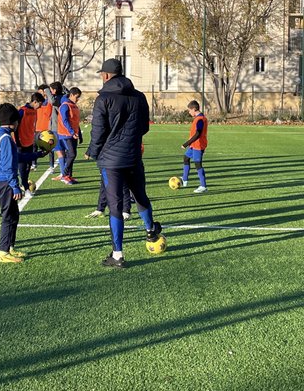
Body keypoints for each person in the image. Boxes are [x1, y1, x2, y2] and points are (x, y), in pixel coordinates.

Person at [85, 58, 162, 269]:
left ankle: (117, 254)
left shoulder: (103, 99)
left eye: (102, 74)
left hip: (111, 161)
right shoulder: (139, 97)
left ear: (108, 75)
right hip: (133, 156)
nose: (101, 76)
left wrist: (92, 152)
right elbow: (145, 127)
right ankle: (150, 230)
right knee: (140, 196)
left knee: (115, 206)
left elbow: (98, 131)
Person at [0, 103, 26, 264]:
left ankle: (10, 247)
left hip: (2, 180)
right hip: (4, 182)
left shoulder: (2, 134)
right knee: (8, 216)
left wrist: (38, 154)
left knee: (14, 215)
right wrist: (14, 185)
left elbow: (16, 157)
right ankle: (3, 252)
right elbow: (8, 165)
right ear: (14, 122)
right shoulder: (5, 138)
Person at [16, 92, 45, 196]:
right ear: (35, 101)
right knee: (22, 167)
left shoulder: (34, 111)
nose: (41, 106)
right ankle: (25, 187)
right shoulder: (22, 111)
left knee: (28, 167)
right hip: (21, 143)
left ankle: (23, 185)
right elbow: (15, 127)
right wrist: (17, 141)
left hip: (30, 142)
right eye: (40, 104)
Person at [179, 100, 209, 193]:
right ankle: (184, 180)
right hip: (194, 145)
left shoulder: (200, 119)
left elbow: (198, 134)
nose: (189, 112)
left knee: (198, 164)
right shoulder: (198, 118)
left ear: (194, 109)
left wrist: (186, 143)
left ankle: (203, 186)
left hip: (198, 146)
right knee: (186, 158)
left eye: (189, 110)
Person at [56, 86, 83, 184]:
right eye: (77, 97)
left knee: (71, 155)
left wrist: (79, 133)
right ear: (71, 95)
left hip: (73, 134)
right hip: (66, 134)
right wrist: (72, 132)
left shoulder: (74, 106)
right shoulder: (65, 105)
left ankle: (69, 176)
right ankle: (64, 175)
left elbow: (75, 121)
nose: (78, 99)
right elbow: (65, 120)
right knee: (72, 154)